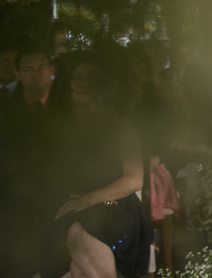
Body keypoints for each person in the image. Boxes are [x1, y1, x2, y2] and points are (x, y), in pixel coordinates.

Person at [40, 53, 152, 278]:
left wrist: (83, 201)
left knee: (77, 242)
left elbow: (134, 180)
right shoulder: (53, 127)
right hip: (72, 211)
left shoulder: (120, 125)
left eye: (91, 76)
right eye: (76, 76)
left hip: (116, 212)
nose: (84, 83)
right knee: (75, 240)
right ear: (65, 82)